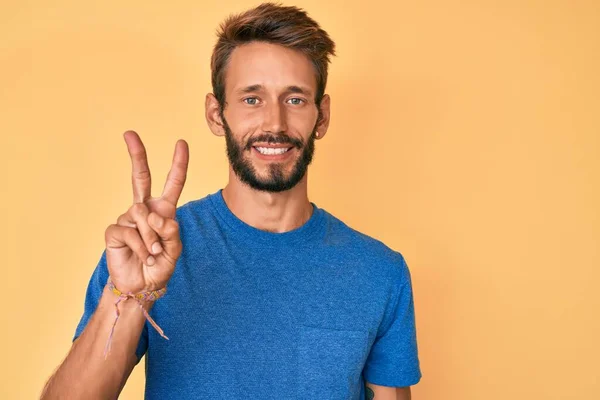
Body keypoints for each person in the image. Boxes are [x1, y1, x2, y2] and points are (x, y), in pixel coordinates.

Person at [41, 3, 421, 399]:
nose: (274, 124)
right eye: (251, 99)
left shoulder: (380, 273)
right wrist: (130, 296)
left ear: (321, 117)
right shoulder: (149, 249)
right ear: (216, 114)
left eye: (294, 100)